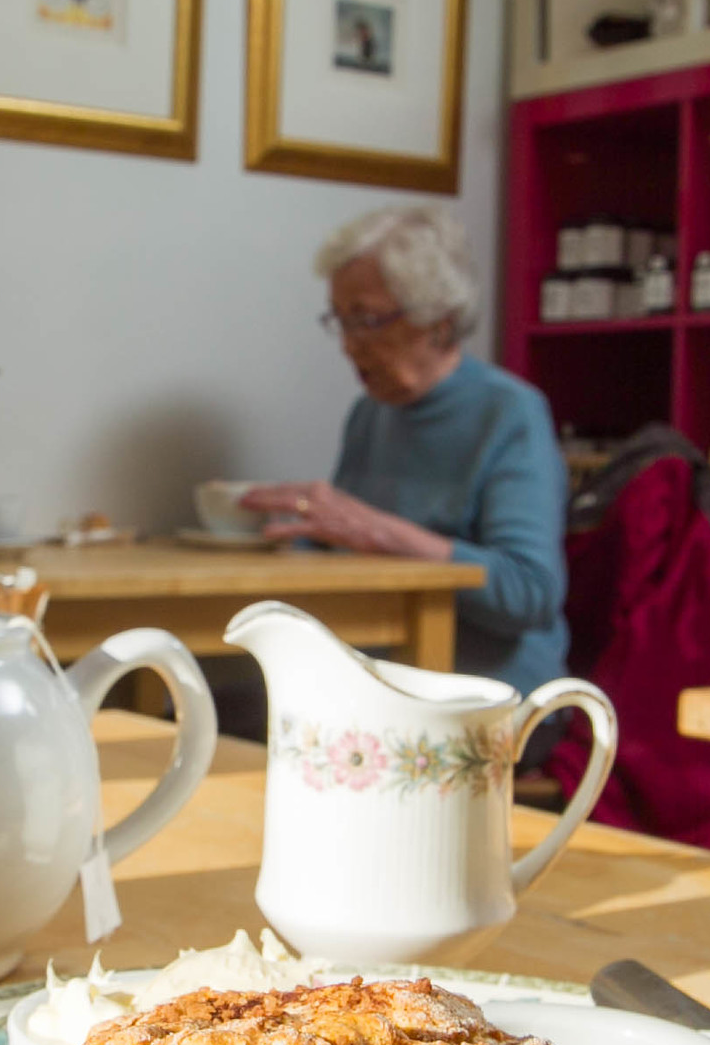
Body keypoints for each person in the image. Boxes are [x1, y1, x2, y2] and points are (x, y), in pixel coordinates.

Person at [241, 205, 570, 694]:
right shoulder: (371, 413)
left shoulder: (509, 413)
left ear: (438, 319)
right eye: (342, 321)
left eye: (367, 320)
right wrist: (289, 533)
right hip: (381, 675)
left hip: (490, 694)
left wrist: (375, 532)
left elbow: (529, 593)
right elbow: (347, 543)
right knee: (193, 714)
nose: (348, 345)